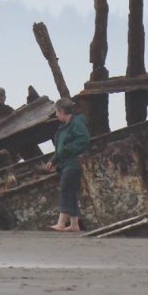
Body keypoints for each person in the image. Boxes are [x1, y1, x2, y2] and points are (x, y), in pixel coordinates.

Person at [44, 98, 90, 232]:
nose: (56, 115)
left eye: (57, 112)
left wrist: (68, 149)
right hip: (65, 163)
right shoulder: (64, 127)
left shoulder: (76, 123)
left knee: (65, 189)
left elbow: (84, 138)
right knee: (71, 192)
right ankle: (74, 224)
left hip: (73, 162)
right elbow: (60, 148)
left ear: (62, 111)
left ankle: (61, 223)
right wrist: (53, 160)